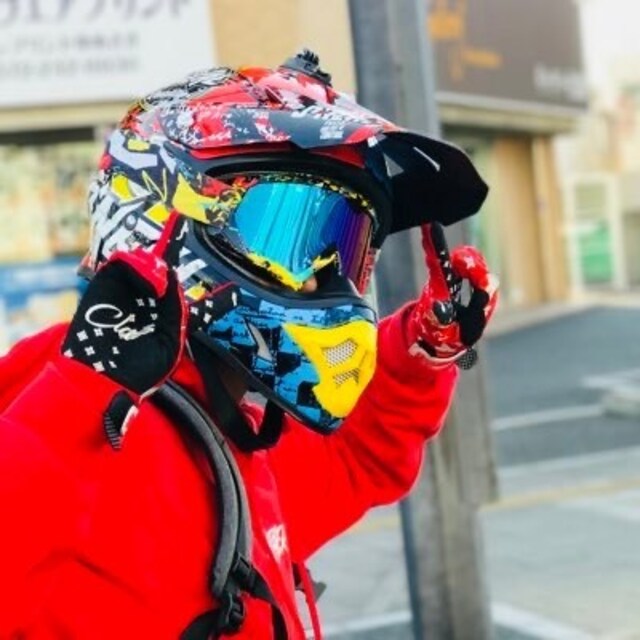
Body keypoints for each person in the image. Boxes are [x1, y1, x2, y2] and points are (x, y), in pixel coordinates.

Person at [0, 50, 498, 639]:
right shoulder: (78, 410)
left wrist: (420, 350)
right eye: (289, 242)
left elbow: (352, 460)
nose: (325, 282)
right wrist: (76, 403)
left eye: (346, 250)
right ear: (166, 218)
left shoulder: (228, 433)